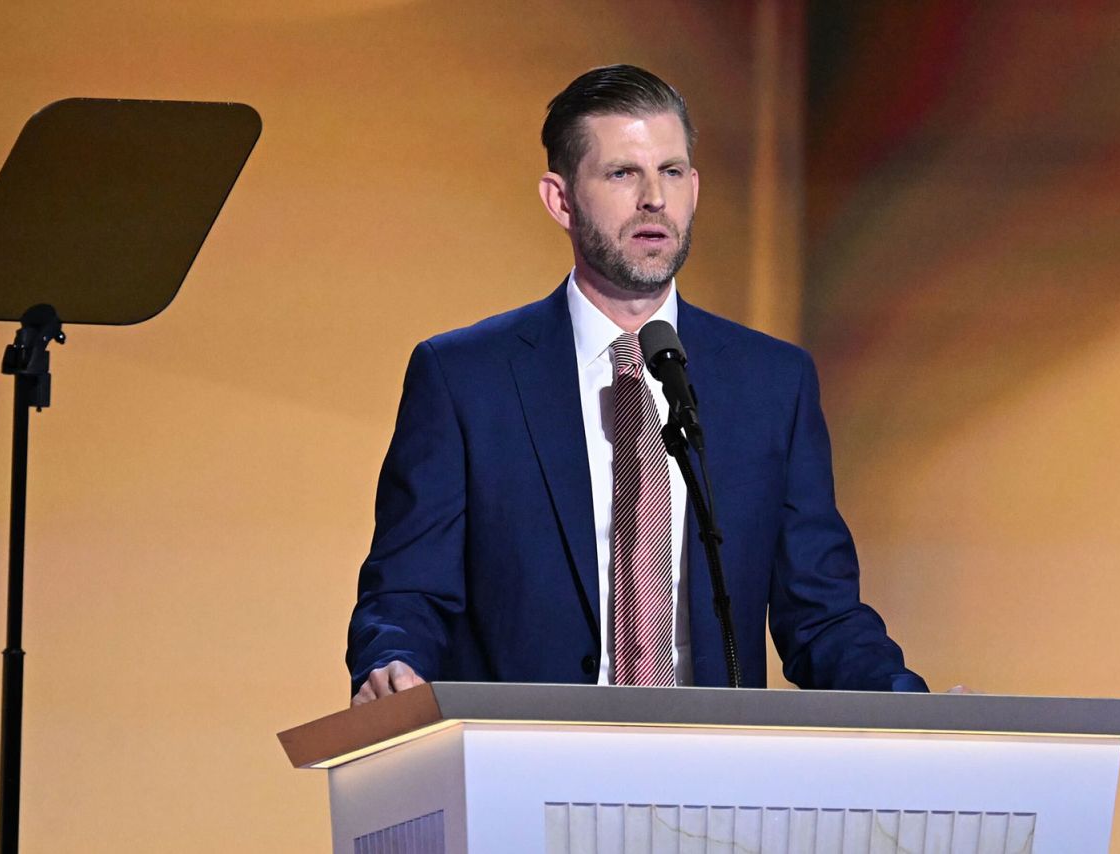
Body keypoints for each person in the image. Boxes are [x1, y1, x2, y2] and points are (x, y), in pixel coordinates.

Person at [347, 64, 927, 704]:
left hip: (712, 779)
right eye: (623, 173)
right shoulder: (465, 379)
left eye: (671, 173)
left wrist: (909, 701)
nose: (654, 198)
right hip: (525, 768)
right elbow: (407, 589)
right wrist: (392, 660)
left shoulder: (771, 383)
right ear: (560, 199)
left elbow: (820, 614)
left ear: (695, 188)